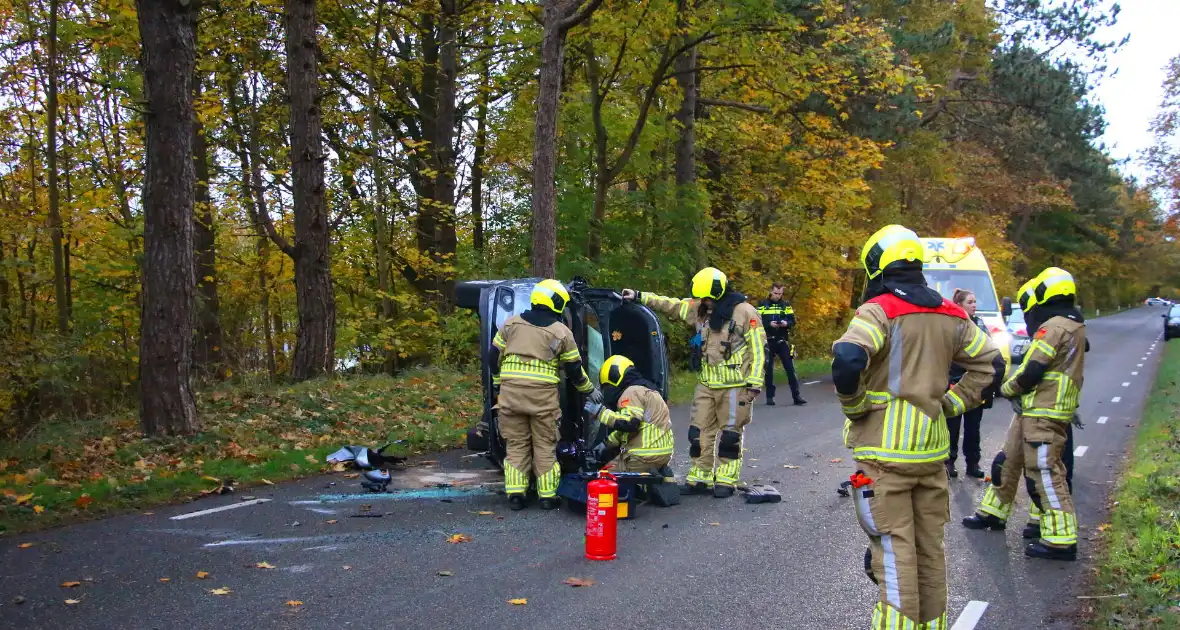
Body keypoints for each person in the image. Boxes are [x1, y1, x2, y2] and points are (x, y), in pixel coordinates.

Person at [832, 225, 998, 629]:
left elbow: (849, 359)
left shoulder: (879, 310)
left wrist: (856, 408)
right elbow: (992, 365)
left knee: (893, 554)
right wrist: (950, 404)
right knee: (928, 553)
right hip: (931, 454)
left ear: (878, 265)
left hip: (883, 456)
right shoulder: (952, 313)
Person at [963, 268, 1086, 561]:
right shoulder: (1074, 325)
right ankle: (994, 511)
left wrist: (1007, 388)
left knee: (1045, 472)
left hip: (1043, 410)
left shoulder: (1054, 327)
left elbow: (1033, 368)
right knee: (1007, 461)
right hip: (1035, 409)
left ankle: (1061, 539)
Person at [622, 267, 765, 498]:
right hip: (706, 383)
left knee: (730, 435)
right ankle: (700, 478)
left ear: (719, 292)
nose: (705, 302)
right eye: (702, 299)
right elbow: (672, 304)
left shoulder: (745, 312)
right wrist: (639, 296)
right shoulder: (699, 310)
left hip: (734, 385)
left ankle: (726, 480)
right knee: (698, 433)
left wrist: (754, 383)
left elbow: (758, 349)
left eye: (708, 298)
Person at [491, 279, 601, 511]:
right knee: (544, 445)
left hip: (510, 399)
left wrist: (498, 384)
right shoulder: (561, 332)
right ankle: (547, 496)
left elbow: (493, 357)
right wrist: (590, 391)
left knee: (517, 445)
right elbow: (574, 371)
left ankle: (516, 495)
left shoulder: (511, 324)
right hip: (542, 402)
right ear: (557, 302)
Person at [945, 289, 999, 479]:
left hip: (976, 384)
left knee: (973, 428)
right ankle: (949, 462)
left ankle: (972, 463)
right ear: (959, 305)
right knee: (952, 427)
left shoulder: (980, 324)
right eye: (970, 302)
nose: (974, 305)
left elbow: (990, 353)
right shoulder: (952, 325)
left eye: (975, 301)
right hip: (955, 383)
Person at [589, 355, 674, 474]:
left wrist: (600, 412)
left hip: (642, 456)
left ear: (614, 377)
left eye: (608, 386)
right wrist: (606, 443)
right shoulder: (648, 390)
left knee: (603, 477)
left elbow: (630, 423)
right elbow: (633, 430)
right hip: (662, 453)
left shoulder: (631, 392)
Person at [757, 282, 806, 406]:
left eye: (780, 293)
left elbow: (793, 321)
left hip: (782, 340)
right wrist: (769, 324)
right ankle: (770, 397)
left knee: (790, 368)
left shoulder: (785, 305)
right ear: (770, 291)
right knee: (768, 370)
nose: (778, 296)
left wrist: (786, 323)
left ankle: (796, 396)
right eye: (775, 293)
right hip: (768, 340)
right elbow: (756, 321)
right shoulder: (763, 305)